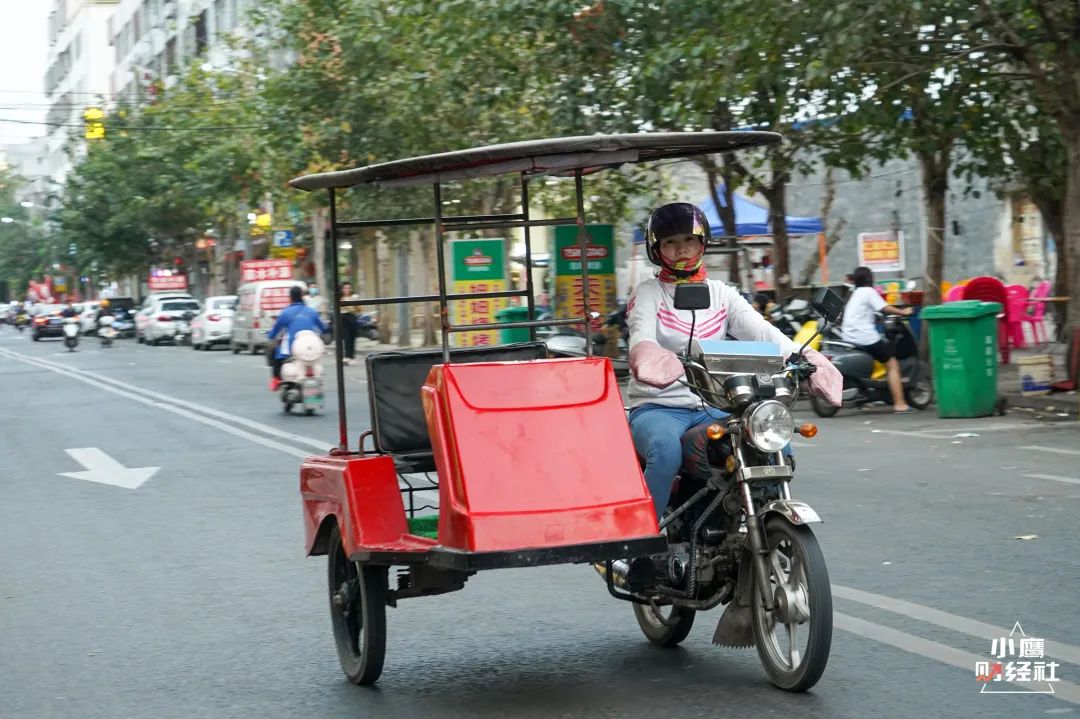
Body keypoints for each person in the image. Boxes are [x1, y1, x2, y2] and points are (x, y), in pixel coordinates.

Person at [627, 202, 842, 518]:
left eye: (689, 240)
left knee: (773, 440)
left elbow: (763, 333)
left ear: (703, 243)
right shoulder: (649, 293)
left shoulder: (721, 293)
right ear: (657, 249)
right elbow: (640, 334)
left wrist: (805, 356)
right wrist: (649, 356)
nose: (681, 250)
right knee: (666, 451)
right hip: (659, 407)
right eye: (671, 242)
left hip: (713, 404)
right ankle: (644, 545)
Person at [839, 266, 915, 413]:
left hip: (848, 336)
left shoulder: (855, 293)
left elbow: (866, 313)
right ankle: (900, 404)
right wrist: (902, 311)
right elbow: (885, 308)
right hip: (865, 337)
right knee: (892, 362)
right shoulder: (868, 291)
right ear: (869, 279)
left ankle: (866, 395)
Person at [266, 285, 328, 391]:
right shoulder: (311, 312)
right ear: (302, 296)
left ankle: (276, 380)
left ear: (290, 298)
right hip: (313, 347)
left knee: (276, 354)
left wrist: (270, 335)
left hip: (293, 348)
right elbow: (323, 328)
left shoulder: (285, 313)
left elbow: (274, 331)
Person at [338, 281, 361, 365]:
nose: (347, 290)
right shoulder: (340, 298)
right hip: (343, 319)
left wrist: (354, 306)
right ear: (342, 289)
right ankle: (347, 356)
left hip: (352, 318)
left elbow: (359, 309)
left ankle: (352, 356)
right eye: (345, 288)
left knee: (352, 338)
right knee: (346, 338)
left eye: (348, 288)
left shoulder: (355, 297)